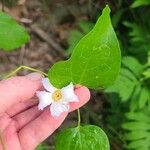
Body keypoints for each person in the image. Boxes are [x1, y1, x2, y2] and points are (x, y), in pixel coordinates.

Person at [0, 73, 90, 150]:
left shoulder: (63, 92)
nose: (57, 95)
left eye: (58, 95)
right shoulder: (52, 87)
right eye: (57, 95)